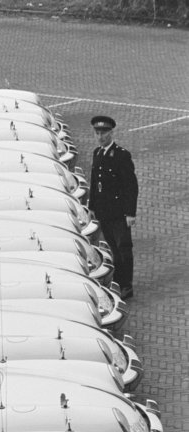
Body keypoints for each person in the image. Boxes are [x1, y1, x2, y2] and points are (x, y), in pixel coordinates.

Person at [88, 115, 138, 300]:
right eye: (97, 133)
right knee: (113, 249)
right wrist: (92, 206)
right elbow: (95, 182)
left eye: (104, 133)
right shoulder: (98, 153)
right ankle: (118, 279)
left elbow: (130, 186)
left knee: (124, 249)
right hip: (104, 211)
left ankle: (126, 285)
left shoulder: (121, 156)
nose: (100, 137)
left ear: (111, 133)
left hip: (119, 213)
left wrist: (130, 213)